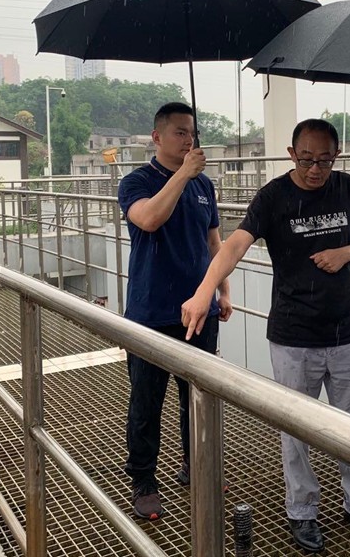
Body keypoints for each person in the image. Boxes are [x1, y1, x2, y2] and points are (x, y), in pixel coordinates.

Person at [182, 118, 350, 554]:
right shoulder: (273, 196)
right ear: (292, 153)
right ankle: (302, 510)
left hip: (347, 331)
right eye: (307, 159)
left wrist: (344, 253)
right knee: (295, 432)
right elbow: (235, 245)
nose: (316, 169)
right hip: (293, 335)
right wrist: (206, 290)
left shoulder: (346, 187)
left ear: (336, 156)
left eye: (325, 160)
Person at [117, 102, 231, 520]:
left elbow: (214, 242)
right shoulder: (136, 182)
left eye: (192, 133)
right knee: (146, 402)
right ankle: (144, 479)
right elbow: (148, 219)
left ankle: (195, 464)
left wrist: (222, 290)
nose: (188, 139)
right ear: (157, 137)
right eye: (180, 132)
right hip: (150, 310)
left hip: (199, 310)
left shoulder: (205, 186)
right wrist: (183, 174)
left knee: (198, 398)